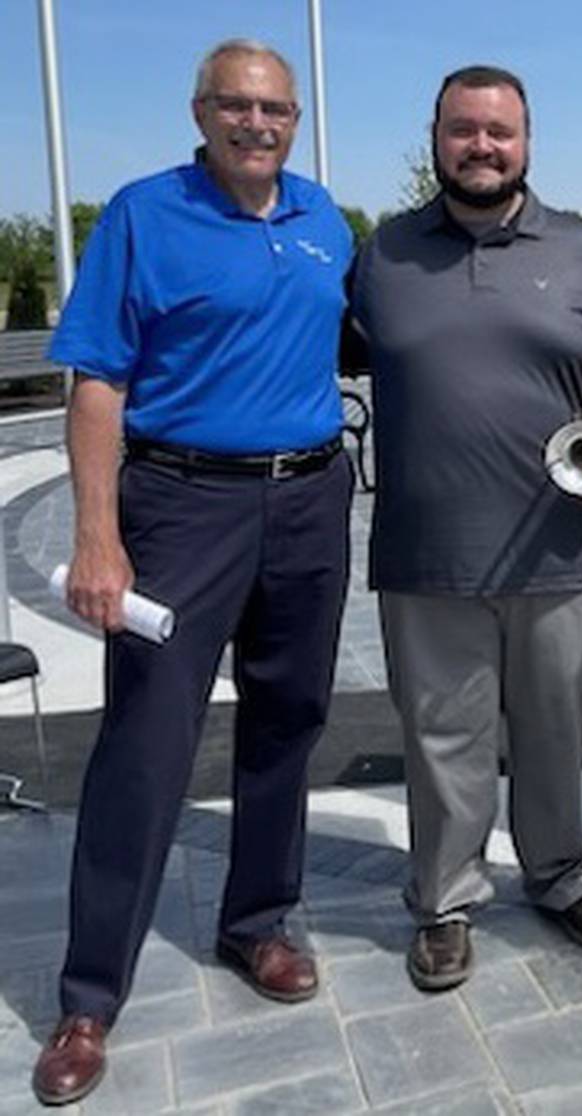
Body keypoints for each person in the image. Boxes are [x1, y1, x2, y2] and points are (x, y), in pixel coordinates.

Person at [31, 39, 354, 1106]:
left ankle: (256, 923)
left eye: (276, 110)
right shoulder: (142, 213)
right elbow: (96, 383)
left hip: (309, 499)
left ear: (293, 120)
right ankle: (88, 998)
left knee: (288, 719)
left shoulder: (323, 220)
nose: (258, 124)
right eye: (238, 106)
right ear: (202, 111)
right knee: (145, 740)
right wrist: (96, 534)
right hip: (181, 509)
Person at [347, 64, 582, 990]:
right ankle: (444, 901)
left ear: (527, 141)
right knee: (443, 738)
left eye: (499, 131)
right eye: (462, 130)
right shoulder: (382, 255)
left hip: (562, 549)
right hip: (427, 550)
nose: (481, 146)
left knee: (556, 730)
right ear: (435, 136)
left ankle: (561, 875)